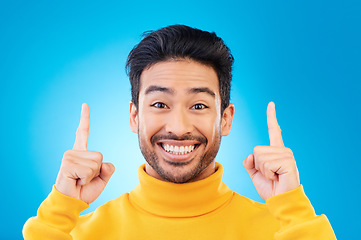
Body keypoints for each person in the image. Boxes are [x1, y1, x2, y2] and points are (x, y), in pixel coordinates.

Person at [23, 25, 336, 239]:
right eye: (160, 103)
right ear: (134, 116)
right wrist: (59, 209)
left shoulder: (282, 231)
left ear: (225, 119)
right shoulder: (78, 234)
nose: (179, 127)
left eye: (198, 106)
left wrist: (293, 208)